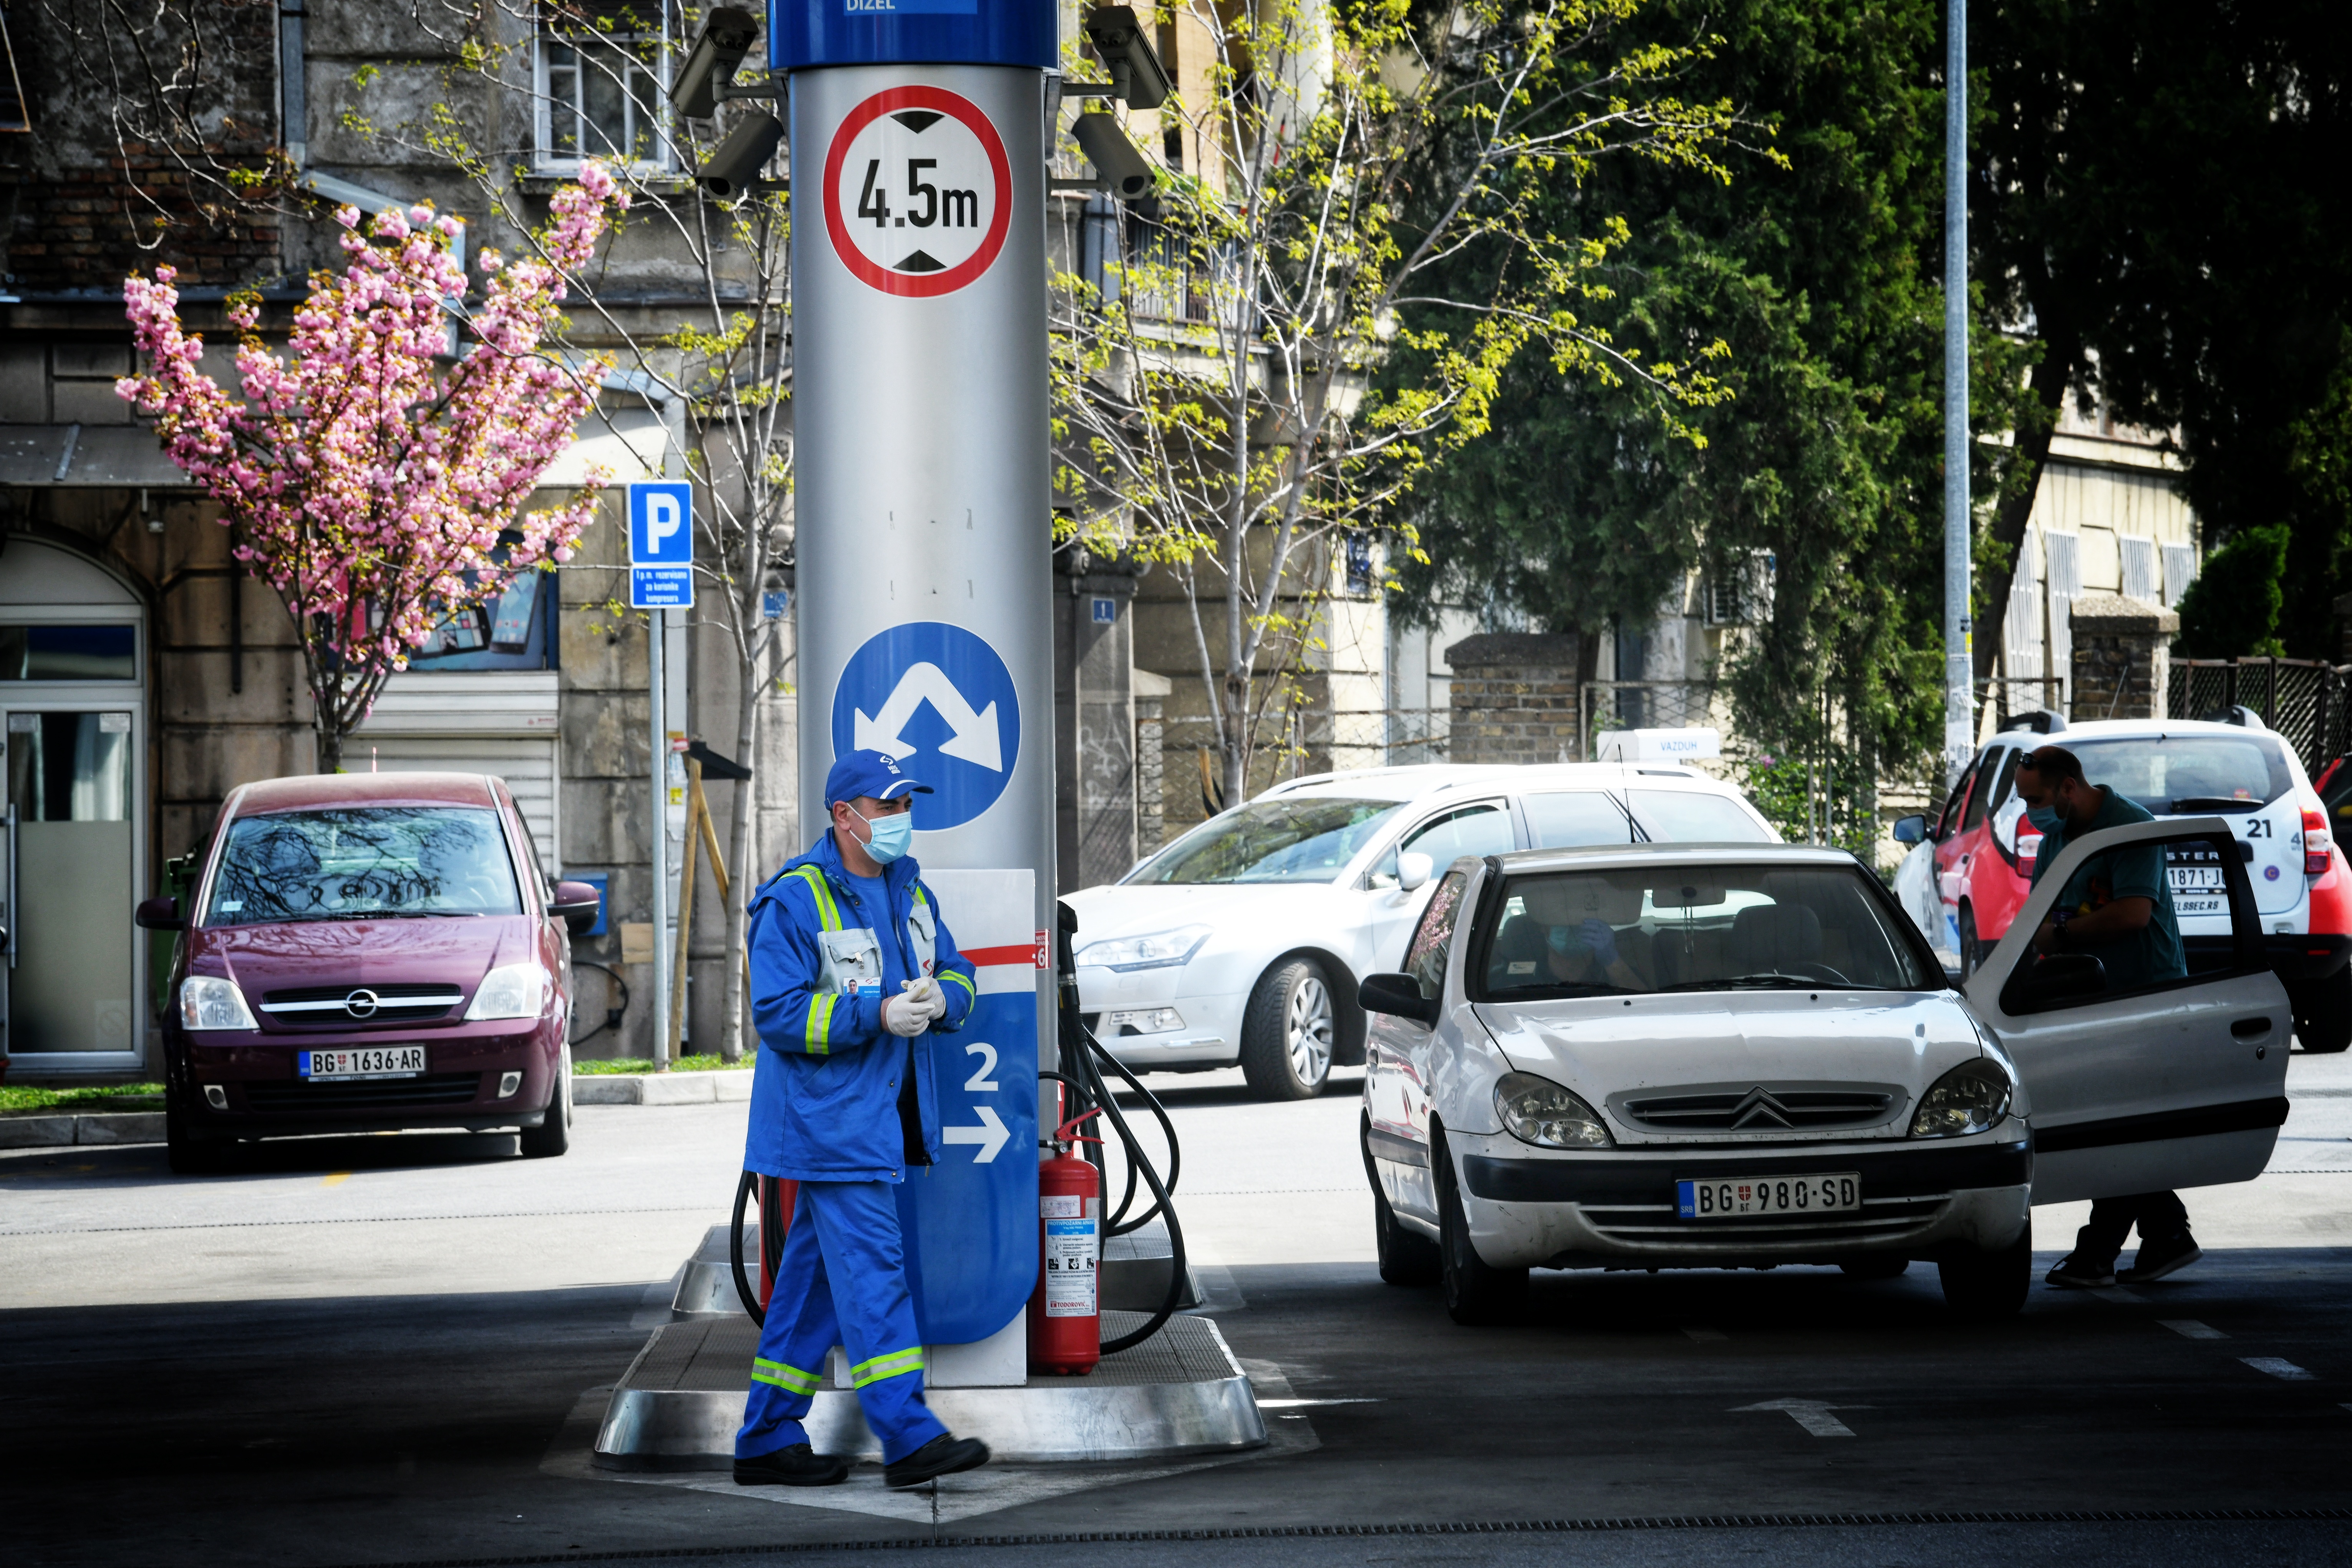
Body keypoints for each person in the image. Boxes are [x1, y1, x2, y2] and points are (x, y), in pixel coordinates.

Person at [732, 749, 991, 1489]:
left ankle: (765, 1436)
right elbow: (778, 1015)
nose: (900, 820)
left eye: (907, 805)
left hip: (882, 1118)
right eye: (887, 807)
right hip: (830, 1125)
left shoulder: (911, 889)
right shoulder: (794, 899)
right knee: (875, 1274)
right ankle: (908, 1434)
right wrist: (872, 1012)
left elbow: (958, 969)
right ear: (844, 815)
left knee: (813, 1288)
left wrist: (947, 998)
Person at [2023, 744, 2202, 1290]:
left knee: (2119, 1126)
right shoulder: (2054, 840)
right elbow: (2035, 920)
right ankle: (2165, 1232)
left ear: (2068, 788)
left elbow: (2132, 912)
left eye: (2034, 798)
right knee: (2118, 1125)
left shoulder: (2130, 828)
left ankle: (2098, 1251)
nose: (2029, 810)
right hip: (2089, 999)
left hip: (2145, 996)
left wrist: (2062, 936)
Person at [1492, 877, 1653, 991]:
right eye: (1562, 921)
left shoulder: (1616, 972)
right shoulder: (1512, 978)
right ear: (1543, 927)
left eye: (1582, 921)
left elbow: (1647, 1007)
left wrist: (1612, 961)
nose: (1572, 926)